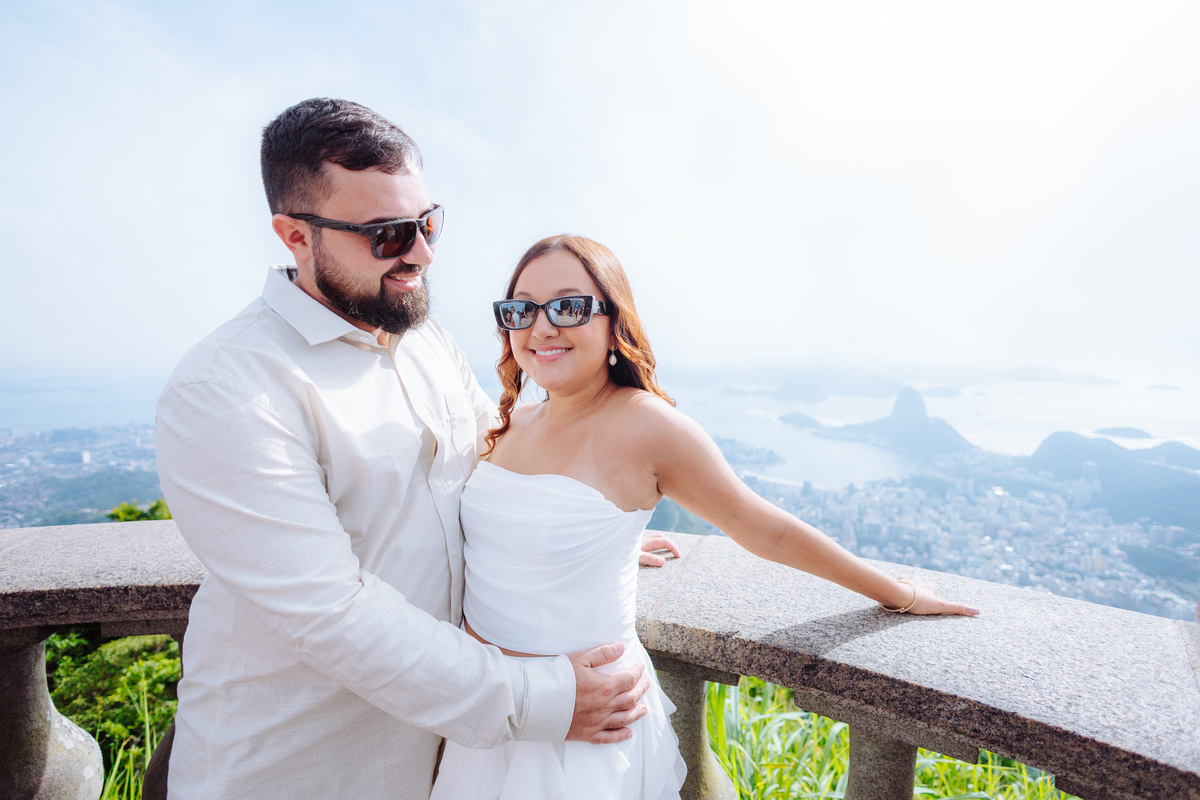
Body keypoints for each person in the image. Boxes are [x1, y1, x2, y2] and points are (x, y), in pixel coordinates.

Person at [153, 99, 674, 800]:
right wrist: (541, 699)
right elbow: (330, 612)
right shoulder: (227, 388)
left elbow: (483, 464)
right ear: (294, 236)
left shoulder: (424, 341)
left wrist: (563, 528)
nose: (422, 254)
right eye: (389, 233)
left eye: (428, 223)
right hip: (292, 770)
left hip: (442, 762)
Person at [429, 235, 980, 799]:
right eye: (522, 308)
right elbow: (509, 533)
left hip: (588, 718)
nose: (541, 327)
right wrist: (603, 543)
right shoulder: (517, 422)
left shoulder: (651, 427)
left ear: (613, 319)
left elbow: (766, 528)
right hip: (498, 710)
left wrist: (897, 593)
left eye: (568, 307)